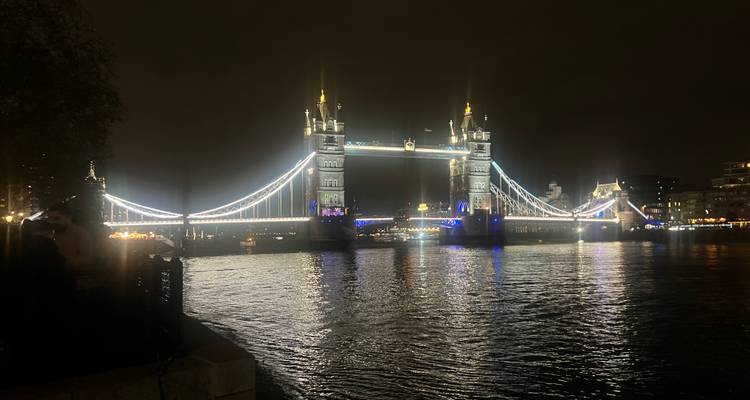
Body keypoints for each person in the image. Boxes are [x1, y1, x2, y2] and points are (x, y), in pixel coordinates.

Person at [47, 202, 94, 270]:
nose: (52, 222)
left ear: (68, 218)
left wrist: (61, 260)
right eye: (50, 218)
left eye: (57, 218)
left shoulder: (81, 234)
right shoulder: (49, 233)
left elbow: (86, 261)